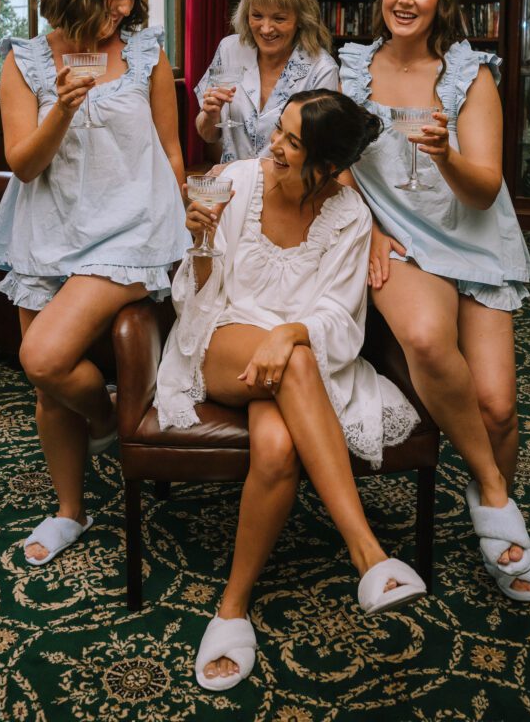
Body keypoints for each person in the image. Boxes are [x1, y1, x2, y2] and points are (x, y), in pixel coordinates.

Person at [155, 90, 425, 692]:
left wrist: (290, 333)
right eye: (278, 131)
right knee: (296, 360)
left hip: (297, 363)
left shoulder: (349, 216)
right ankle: (368, 555)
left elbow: (341, 316)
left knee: (277, 445)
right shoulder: (234, 183)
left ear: (327, 168)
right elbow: (195, 300)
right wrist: (199, 240)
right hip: (219, 341)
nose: (273, 147)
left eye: (292, 143)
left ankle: (231, 606)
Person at [339, 0, 530, 603]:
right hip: (400, 240)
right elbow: (331, 165)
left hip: (473, 238)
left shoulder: (467, 77)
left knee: (498, 406)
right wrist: (367, 225)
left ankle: (491, 495)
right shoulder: (347, 72)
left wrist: (442, 154)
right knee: (427, 340)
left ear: (442, 2)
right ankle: (494, 500)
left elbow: (483, 189)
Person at [0, 0, 188, 567]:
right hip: (47, 228)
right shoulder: (24, 60)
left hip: (132, 229)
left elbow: (171, 148)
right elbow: (23, 165)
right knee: (47, 388)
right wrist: (61, 111)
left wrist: (184, 227)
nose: (125, 9)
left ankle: (104, 421)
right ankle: (71, 508)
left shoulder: (146, 51)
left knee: (42, 357)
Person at [195, 0, 339, 164]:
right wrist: (210, 116)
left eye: (279, 18)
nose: (265, 29)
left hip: (287, 193)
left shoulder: (322, 70)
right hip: (233, 191)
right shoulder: (229, 50)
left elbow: (317, 157)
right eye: (257, 15)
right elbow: (208, 135)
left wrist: (248, 175)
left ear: (301, 18)